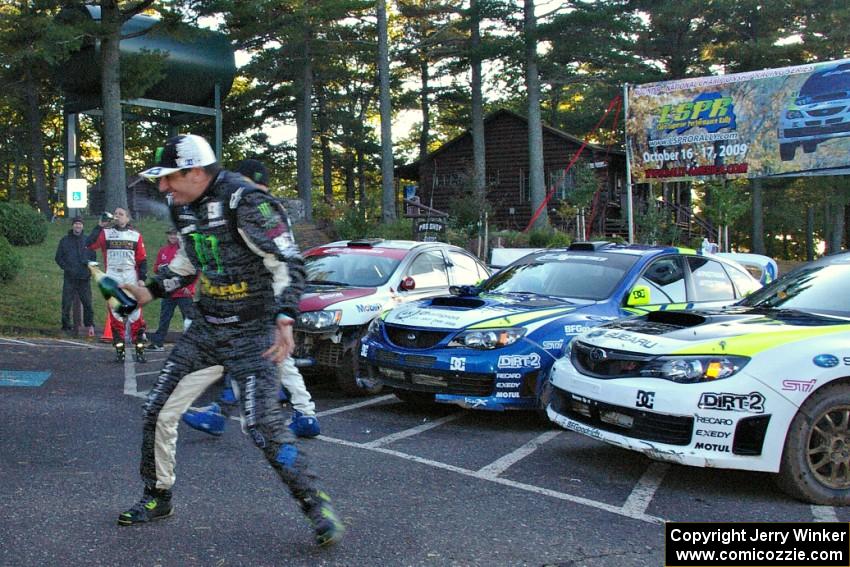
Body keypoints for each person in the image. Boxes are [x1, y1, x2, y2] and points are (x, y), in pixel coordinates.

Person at [120, 134, 343, 547]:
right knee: (157, 409)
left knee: (262, 425)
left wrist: (285, 318)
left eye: (169, 178)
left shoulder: (247, 202)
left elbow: (289, 263)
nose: (164, 188)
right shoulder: (181, 206)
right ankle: (157, 496)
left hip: (253, 332)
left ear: (197, 172)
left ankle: (317, 507)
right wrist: (152, 289)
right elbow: (190, 261)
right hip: (208, 327)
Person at [182, 158, 320, 438]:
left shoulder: (259, 209)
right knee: (274, 357)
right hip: (264, 297)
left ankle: (223, 413)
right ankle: (305, 414)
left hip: (262, 297)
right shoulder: (265, 208)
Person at [86, 207, 148, 362]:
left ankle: (139, 350)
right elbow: (89, 244)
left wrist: (142, 278)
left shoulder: (135, 235)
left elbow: (142, 260)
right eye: (116, 214)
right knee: (115, 314)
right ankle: (119, 352)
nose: (117, 216)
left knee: (135, 314)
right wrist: (100, 225)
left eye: (121, 214)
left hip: (130, 274)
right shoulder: (105, 233)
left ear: (128, 218)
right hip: (112, 274)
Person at [147, 228, 196, 351]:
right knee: (164, 318)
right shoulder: (163, 251)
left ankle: (193, 345)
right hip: (168, 291)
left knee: (188, 319)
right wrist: (160, 268)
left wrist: (190, 287)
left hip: (183, 291)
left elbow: (194, 271)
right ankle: (158, 343)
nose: (173, 236)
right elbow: (156, 268)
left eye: (175, 234)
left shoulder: (185, 251)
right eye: (170, 234)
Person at [54, 216, 95, 336]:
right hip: (70, 277)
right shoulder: (65, 240)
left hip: (84, 278)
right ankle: (65, 326)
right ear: (73, 225)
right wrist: (67, 268)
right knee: (66, 303)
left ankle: (89, 325)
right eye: (76, 224)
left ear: (83, 226)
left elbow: (93, 258)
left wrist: (89, 269)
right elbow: (58, 257)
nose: (78, 226)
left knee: (87, 303)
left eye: (80, 224)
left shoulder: (88, 241)